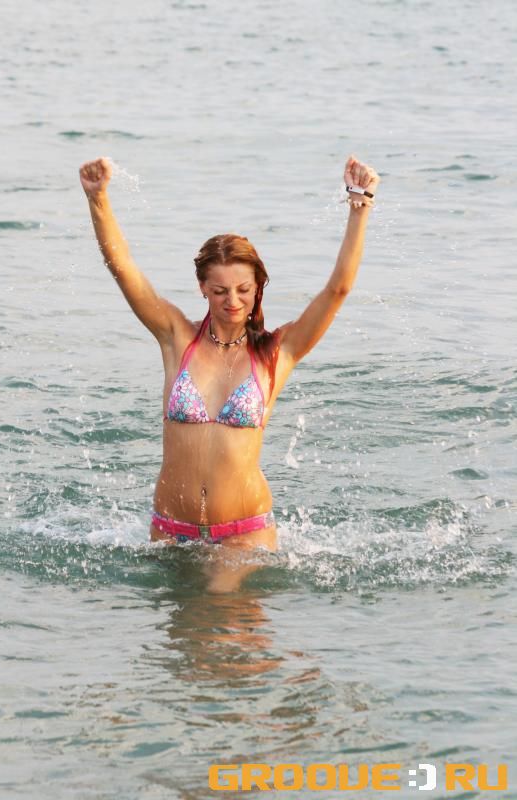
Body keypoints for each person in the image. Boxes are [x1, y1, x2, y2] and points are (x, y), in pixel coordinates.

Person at [79, 155, 380, 591]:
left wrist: (359, 204)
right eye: (219, 290)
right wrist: (98, 198)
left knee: (219, 608)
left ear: (258, 288)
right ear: (202, 287)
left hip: (243, 534)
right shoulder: (176, 338)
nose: (232, 302)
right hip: (170, 532)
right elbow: (123, 269)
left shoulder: (278, 351)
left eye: (243, 290)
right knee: (180, 635)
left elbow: (338, 289)